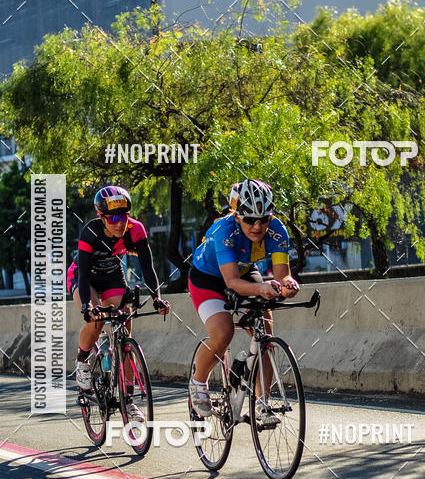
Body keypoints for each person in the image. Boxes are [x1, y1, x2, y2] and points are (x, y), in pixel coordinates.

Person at [188, 179, 299, 420]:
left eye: (263, 218)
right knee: (223, 332)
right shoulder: (224, 230)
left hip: (245, 272)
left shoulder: (277, 229)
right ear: (236, 215)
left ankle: (262, 402)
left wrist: (288, 285)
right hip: (209, 279)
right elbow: (231, 282)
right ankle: (198, 383)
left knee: (265, 333)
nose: (257, 226)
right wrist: (261, 288)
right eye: (249, 219)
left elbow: (282, 275)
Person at [67, 185, 169, 420]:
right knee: (97, 321)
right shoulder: (90, 232)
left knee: (125, 323)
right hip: (85, 278)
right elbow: (82, 275)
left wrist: (156, 298)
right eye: (112, 217)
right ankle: (82, 361)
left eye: (123, 216)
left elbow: (147, 267)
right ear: (100, 216)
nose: (119, 222)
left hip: (112, 275)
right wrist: (87, 307)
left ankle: (129, 400)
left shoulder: (136, 230)